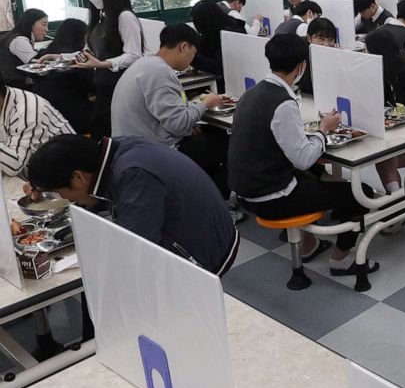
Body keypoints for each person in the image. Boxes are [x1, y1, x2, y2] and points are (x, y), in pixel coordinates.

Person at [228, 34, 375, 275]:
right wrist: (323, 129)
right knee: (362, 195)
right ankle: (341, 260)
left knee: (315, 173)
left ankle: (308, 245)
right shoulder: (283, 103)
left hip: (244, 192)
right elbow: (304, 159)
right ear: (301, 66)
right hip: (272, 198)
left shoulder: (251, 93)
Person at [27, 134, 239, 276]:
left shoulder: (134, 175)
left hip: (205, 254)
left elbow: (136, 246)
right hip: (200, 226)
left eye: (60, 192)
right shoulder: (117, 149)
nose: (68, 200)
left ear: (78, 177)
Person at [110, 24, 230, 199]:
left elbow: (169, 116)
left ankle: (201, 197)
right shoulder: (159, 72)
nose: (192, 59)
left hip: (134, 144)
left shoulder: (146, 64)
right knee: (225, 143)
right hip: (151, 151)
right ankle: (217, 205)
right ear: (183, 47)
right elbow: (178, 124)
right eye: (193, 53)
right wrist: (206, 103)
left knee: (208, 136)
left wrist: (188, 122)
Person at [74, 0, 144, 139]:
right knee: (100, 132)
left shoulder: (124, 17)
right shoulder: (101, 18)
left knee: (110, 136)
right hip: (103, 87)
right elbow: (90, 49)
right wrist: (62, 57)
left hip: (120, 88)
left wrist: (103, 64)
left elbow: (134, 55)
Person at [0, 77, 74, 177]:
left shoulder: (27, 111)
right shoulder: (6, 99)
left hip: (63, 179)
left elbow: (15, 166)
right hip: (34, 176)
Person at [34, 19, 93, 133]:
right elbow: (91, 85)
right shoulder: (79, 59)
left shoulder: (44, 53)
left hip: (44, 114)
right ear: (82, 37)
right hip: (71, 116)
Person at [190, 0, 246, 91]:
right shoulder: (213, 30)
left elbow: (219, 66)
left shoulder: (229, 33)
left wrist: (191, 57)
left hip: (231, 84)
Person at [0, 8, 48, 89]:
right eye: (44, 24)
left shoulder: (13, 36)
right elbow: (36, 63)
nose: (47, 30)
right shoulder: (19, 40)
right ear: (31, 24)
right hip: (14, 88)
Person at [298, 17, 339, 95]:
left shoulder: (335, 54)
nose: (326, 44)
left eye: (330, 40)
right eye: (321, 39)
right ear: (309, 38)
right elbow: (306, 86)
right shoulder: (300, 54)